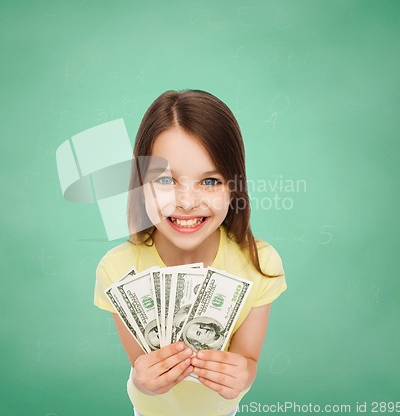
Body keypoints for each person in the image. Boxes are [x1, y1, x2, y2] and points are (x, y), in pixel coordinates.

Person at [94, 89, 287, 416]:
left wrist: (244, 375)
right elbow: (142, 369)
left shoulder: (261, 264)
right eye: (165, 180)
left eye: (210, 181)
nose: (186, 201)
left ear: (233, 186)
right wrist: (142, 382)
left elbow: (248, 362)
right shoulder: (117, 270)